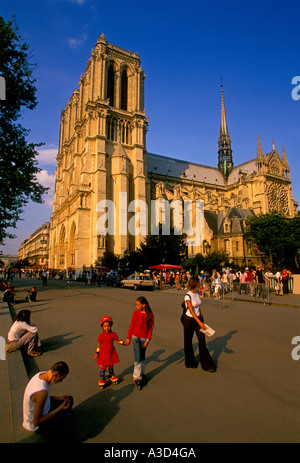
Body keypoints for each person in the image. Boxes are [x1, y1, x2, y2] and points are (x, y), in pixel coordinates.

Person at [23, 361, 72, 432]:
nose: (61, 381)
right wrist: (59, 409)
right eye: (61, 378)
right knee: (64, 410)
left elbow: (39, 400)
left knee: (69, 399)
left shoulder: (41, 375)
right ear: (56, 374)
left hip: (40, 412)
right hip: (35, 426)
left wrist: (57, 398)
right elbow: (36, 422)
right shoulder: (42, 391)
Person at [183, 277, 215, 372]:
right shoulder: (187, 296)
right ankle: (190, 362)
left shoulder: (197, 292)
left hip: (198, 318)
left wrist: (200, 314)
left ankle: (207, 365)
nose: (199, 284)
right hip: (189, 320)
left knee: (202, 341)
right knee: (188, 341)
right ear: (195, 284)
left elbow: (198, 306)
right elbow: (191, 311)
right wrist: (200, 322)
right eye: (198, 283)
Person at [125, 296, 154, 390]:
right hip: (135, 337)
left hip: (144, 338)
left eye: (138, 305)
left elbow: (150, 329)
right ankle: (136, 376)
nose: (137, 306)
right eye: (136, 305)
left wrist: (148, 340)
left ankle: (142, 372)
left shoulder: (150, 314)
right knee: (137, 356)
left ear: (143, 305)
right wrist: (128, 338)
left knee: (142, 356)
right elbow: (131, 326)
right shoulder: (135, 313)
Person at [94, 316, 126, 388]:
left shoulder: (113, 334)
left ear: (111, 325)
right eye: (105, 326)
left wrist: (124, 343)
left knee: (111, 364)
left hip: (111, 352)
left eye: (108, 326)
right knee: (103, 366)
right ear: (102, 327)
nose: (106, 328)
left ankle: (111, 374)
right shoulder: (101, 336)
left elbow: (117, 341)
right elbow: (98, 345)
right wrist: (96, 353)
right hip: (103, 353)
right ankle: (102, 377)